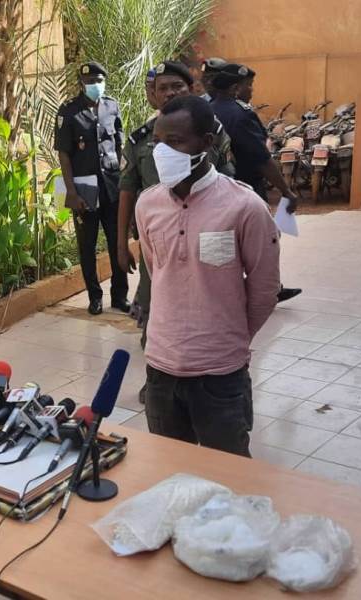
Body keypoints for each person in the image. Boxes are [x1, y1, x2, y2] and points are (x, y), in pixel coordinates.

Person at [135, 95, 280, 457]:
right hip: (161, 371)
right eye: (158, 142)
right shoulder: (147, 204)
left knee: (229, 479)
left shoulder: (244, 206)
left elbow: (265, 289)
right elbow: (159, 270)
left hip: (221, 376)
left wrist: (228, 336)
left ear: (207, 142)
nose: (162, 152)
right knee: (171, 473)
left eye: (176, 142)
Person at [117, 61, 235, 403]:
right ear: (152, 95)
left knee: (208, 305)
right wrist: (122, 244)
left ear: (191, 90)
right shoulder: (140, 139)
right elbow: (127, 189)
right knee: (155, 309)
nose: (169, 93)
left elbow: (229, 176)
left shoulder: (211, 130)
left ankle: (211, 377)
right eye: (162, 88)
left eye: (177, 87)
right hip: (160, 243)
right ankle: (157, 376)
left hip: (206, 235)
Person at [210, 64, 302, 303]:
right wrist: (286, 190)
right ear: (235, 88)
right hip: (247, 188)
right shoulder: (241, 114)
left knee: (226, 243)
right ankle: (267, 291)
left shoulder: (207, 110)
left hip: (216, 190)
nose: (251, 90)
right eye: (248, 86)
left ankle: (231, 292)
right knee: (264, 240)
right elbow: (261, 158)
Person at [55, 61, 129, 316]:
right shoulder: (68, 112)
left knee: (117, 241)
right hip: (84, 190)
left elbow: (119, 144)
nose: (94, 85)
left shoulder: (112, 106)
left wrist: (122, 178)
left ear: (104, 81)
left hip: (111, 186)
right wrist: (71, 193)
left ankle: (120, 296)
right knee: (87, 246)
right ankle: (94, 297)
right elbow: (64, 155)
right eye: (89, 82)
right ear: (81, 84)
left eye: (98, 81)